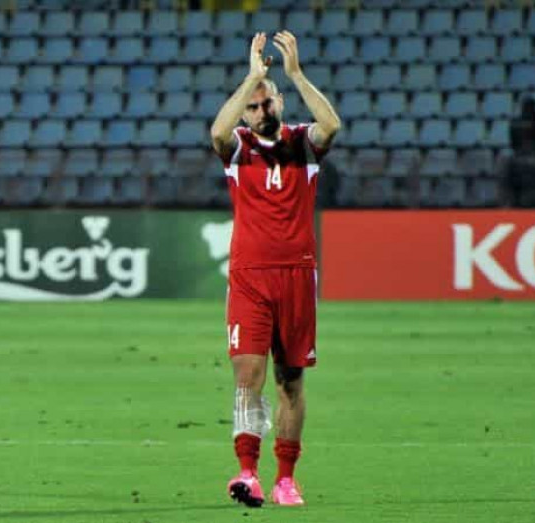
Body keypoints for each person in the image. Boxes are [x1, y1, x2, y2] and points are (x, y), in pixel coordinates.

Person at [210, 31, 341, 507]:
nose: (261, 110)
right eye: (254, 106)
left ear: (281, 103)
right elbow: (216, 133)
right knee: (247, 376)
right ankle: (248, 473)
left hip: (296, 276)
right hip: (249, 277)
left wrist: (296, 74)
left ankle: (286, 478)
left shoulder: (303, 144)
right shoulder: (238, 148)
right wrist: (252, 79)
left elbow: (332, 124)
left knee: (291, 380)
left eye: (268, 103)